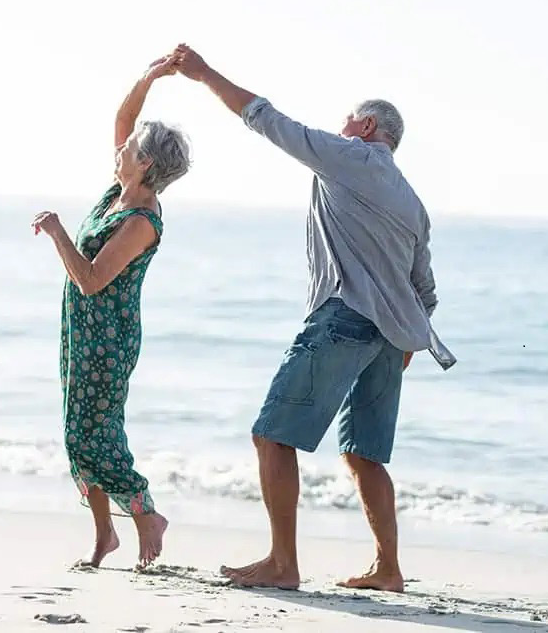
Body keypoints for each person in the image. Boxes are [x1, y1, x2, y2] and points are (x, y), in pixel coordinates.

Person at [171, 43, 453, 592]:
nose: (339, 126)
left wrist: (203, 74)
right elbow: (426, 290)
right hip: (390, 338)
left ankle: (283, 563)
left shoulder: (351, 157)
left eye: (347, 119)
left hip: (344, 318)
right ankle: (388, 569)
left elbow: (268, 120)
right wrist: (404, 346)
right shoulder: (412, 201)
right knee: (363, 453)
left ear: (367, 126)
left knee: (271, 437)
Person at [31, 55, 191, 569]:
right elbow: (124, 123)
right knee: (77, 432)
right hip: (79, 331)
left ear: (145, 163)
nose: (120, 147)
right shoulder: (118, 192)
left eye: (130, 148)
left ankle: (145, 513)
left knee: (90, 434)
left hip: (108, 337)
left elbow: (93, 279)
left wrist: (57, 232)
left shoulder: (143, 218)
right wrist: (149, 78)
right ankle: (105, 536)